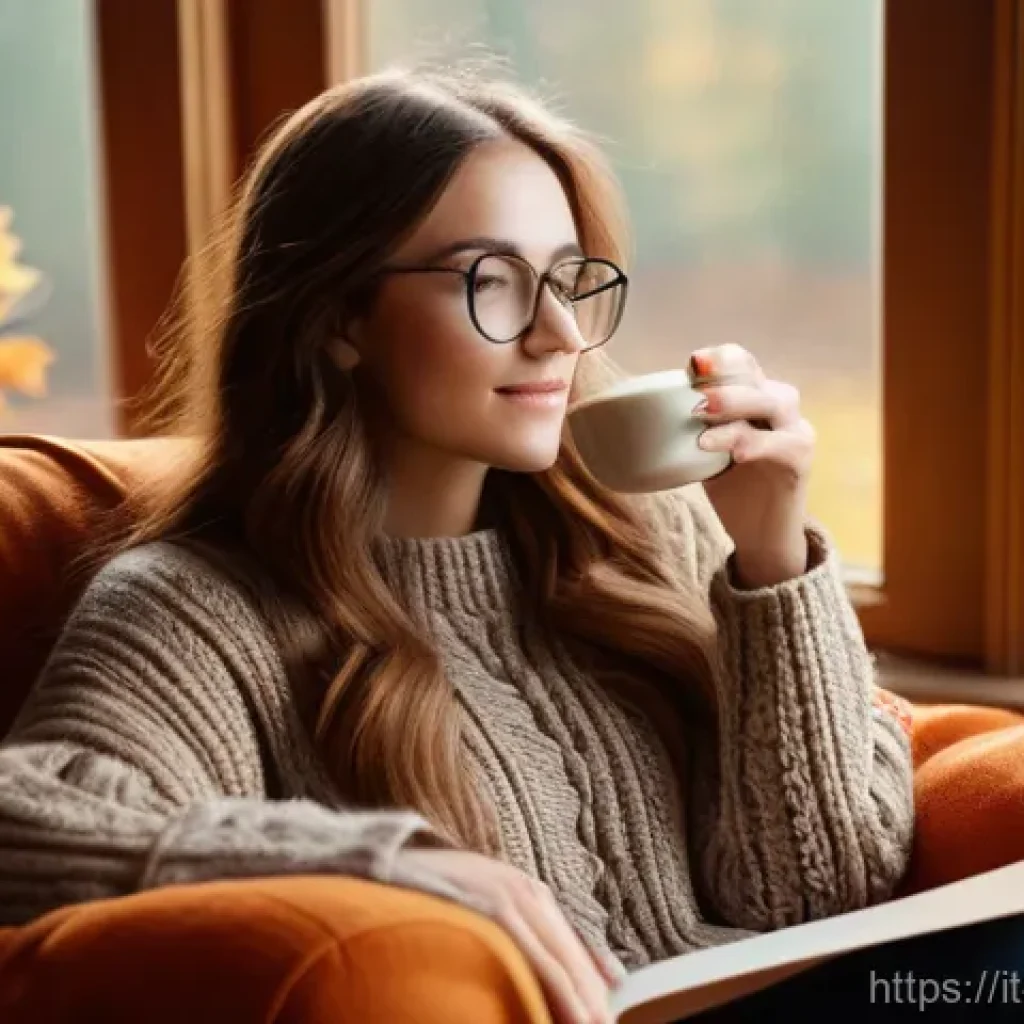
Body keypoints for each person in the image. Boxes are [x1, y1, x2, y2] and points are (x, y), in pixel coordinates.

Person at [0, 67, 917, 1024]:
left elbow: (820, 898)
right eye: (492, 280)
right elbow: (24, 832)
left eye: (568, 278)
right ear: (338, 317)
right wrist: (383, 865)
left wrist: (773, 555)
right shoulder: (199, 608)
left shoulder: (653, 533)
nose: (560, 333)